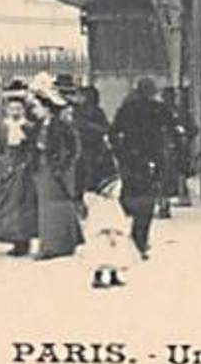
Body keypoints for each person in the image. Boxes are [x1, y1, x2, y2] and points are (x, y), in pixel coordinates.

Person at [111, 76, 174, 259]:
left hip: (130, 158)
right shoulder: (159, 109)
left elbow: (114, 132)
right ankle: (140, 239)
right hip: (152, 158)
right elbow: (171, 128)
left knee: (130, 195)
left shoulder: (126, 109)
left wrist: (120, 153)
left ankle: (128, 237)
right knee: (147, 200)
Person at [0, 81, 38, 257]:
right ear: (7, 110)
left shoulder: (29, 127)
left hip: (23, 171)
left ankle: (23, 240)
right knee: (3, 204)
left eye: (18, 109)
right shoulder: (2, 126)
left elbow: (33, 148)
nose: (15, 112)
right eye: (12, 109)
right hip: (6, 169)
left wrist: (27, 162)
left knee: (21, 206)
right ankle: (10, 237)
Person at [29, 72, 83, 260]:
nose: (34, 111)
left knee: (53, 207)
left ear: (47, 108)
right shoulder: (42, 124)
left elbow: (72, 148)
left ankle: (52, 246)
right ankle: (60, 243)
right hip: (44, 167)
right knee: (48, 207)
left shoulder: (59, 125)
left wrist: (61, 166)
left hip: (53, 169)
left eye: (37, 107)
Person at [72, 85, 116, 196]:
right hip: (80, 144)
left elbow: (106, 128)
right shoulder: (76, 111)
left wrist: (90, 126)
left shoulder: (97, 112)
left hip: (95, 145)